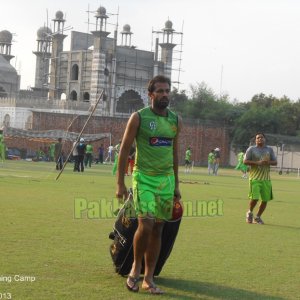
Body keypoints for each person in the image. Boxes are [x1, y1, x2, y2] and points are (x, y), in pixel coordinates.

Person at [116, 75, 182, 294]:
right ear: (150, 94)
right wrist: (120, 184)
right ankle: (135, 269)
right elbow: (125, 150)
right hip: (143, 177)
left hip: (166, 181)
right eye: (160, 91)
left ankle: (149, 278)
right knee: (146, 224)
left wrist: (176, 185)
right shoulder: (138, 118)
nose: (165, 95)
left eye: (167, 91)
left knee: (159, 228)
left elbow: (174, 153)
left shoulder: (175, 120)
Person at [244, 133, 277, 224]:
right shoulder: (251, 149)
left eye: (261, 137)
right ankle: (249, 212)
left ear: (264, 139)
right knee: (254, 198)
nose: (260, 139)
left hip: (266, 179)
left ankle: (257, 217)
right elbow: (245, 161)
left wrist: (268, 162)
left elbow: (275, 162)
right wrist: (257, 163)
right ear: (255, 140)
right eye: (258, 138)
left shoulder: (269, 150)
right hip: (255, 178)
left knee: (265, 200)